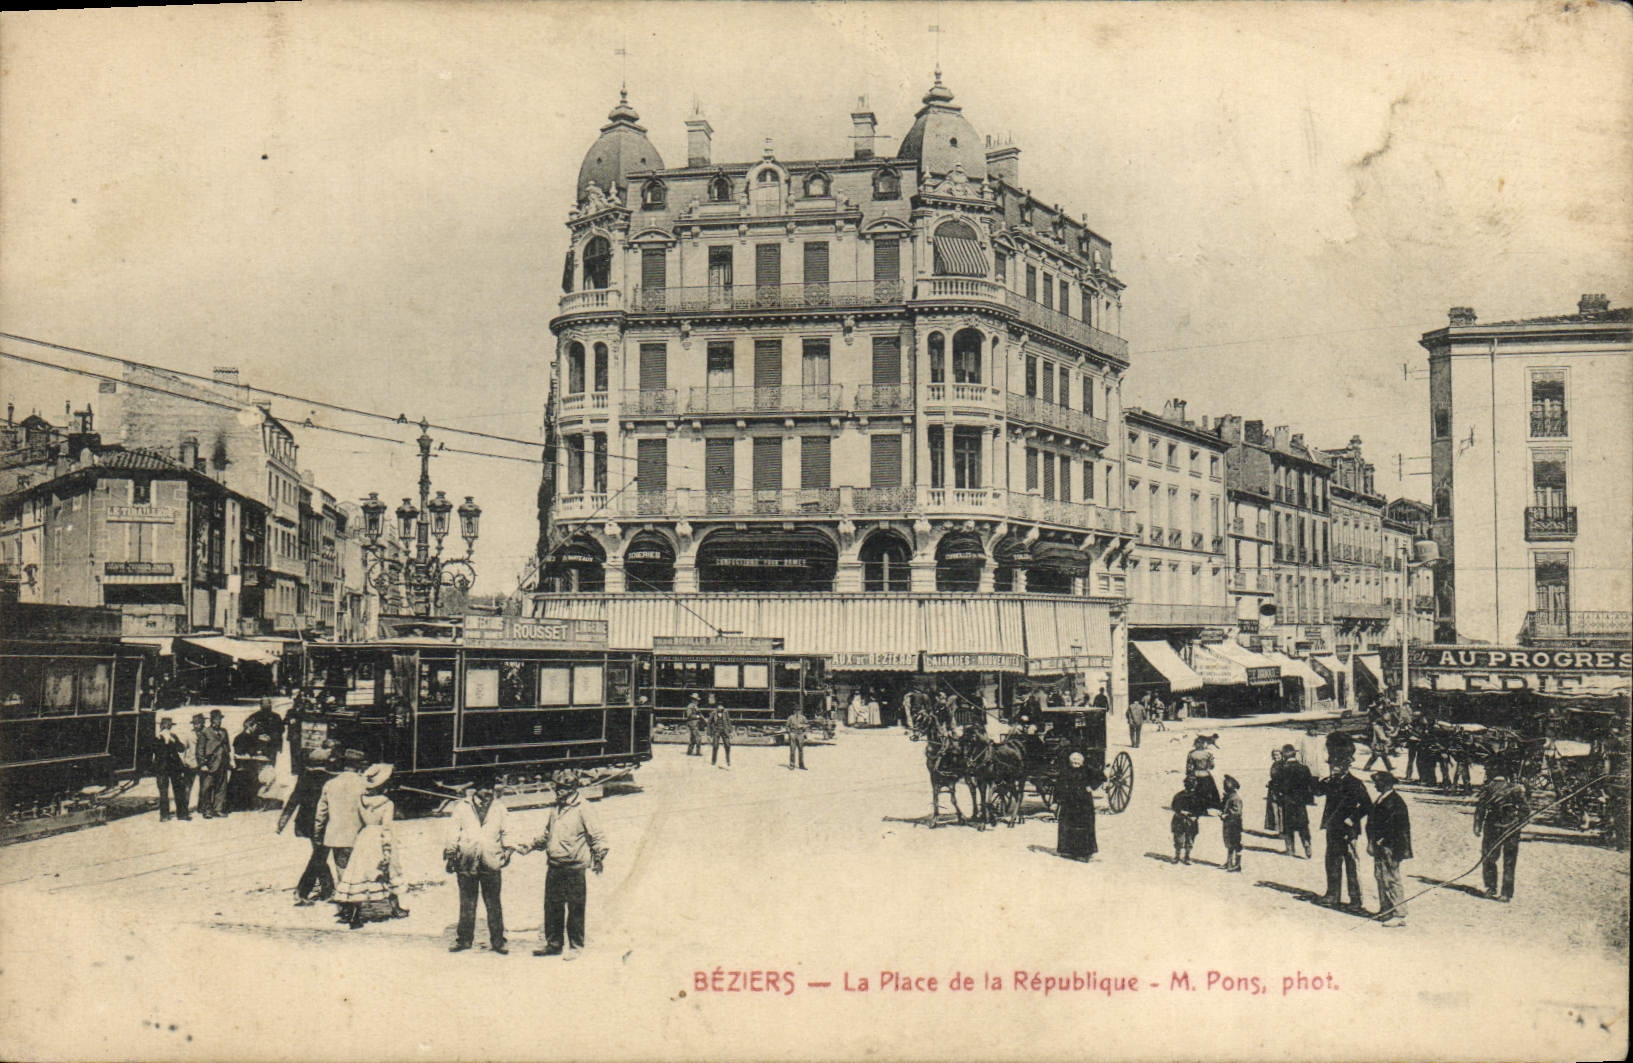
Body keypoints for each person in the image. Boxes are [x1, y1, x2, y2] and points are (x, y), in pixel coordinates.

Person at [526, 771, 609, 959]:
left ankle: (575, 946)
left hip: (574, 867)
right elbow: (548, 834)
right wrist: (530, 845)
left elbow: (598, 838)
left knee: (575, 908)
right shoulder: (556, 808)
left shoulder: (584, 808)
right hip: (554, 865)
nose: (557, 791)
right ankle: (554, 944)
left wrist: (598, 858)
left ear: (572, 789)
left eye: (562, 788)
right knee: (552, 907)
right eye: (556, 787)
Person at [331, 764, 407, 929]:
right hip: (379, 837)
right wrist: (387, 848)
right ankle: (396, 908)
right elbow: (386, 827)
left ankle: (355, 914)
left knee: (359, 873)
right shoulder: (387, 803)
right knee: (387, 870)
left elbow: (358, 821)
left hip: (364, 837)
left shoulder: (361, 800)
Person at [445, 779, 514, 954]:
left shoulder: (499, 808)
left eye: (490, 788)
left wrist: (507, 851)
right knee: (467, 902)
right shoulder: (462, 807)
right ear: (476, 790)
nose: (489, 792)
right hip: (466, 860)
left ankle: (498, 942)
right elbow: (453, 831)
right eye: (484, 788)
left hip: (490, 860)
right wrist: (451, 854)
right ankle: (464, 940)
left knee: (493, 903)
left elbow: (507, 831)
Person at [1314, 733, 1372, 910]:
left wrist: (1351, 818)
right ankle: (1333, 895)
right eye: (1332, 766)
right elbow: (1317, 791)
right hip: (1332, 828)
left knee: (1351, 864)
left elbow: (1367, 806)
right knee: (1331, 861)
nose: (1333, 768)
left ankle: (1356, 900)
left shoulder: (1355, 783)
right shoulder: (1331, 782)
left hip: (1348, 831)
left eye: (1335, 766)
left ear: (1345, 766)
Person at [277, 739, 337, 904]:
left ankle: (328, 889)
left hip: (306, 822)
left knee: (319, 854)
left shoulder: (304, 778)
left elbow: (293, 800)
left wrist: (283, 821)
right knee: (319, 855)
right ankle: (302, 891)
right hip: (323, 822)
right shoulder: (328, 780)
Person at [1473, 765, 1529, 902]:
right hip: (1511, 827)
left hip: (1492, 826)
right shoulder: (1516, 789)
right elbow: (1526, 811)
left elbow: (1480, 809)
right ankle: (1506, 893)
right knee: (1510, 860)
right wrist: (1519, 824)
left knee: (1488, 857)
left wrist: (1477, 826)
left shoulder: (1487, 788)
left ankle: (1491, 888)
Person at [1367, 772, 1412, 927]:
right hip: (1381, 846)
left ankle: (1399, 913)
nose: (1375, 785)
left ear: (1386, 784)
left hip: (1391, 847)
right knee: (1380, 876)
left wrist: (1383, 840)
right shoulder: (1382, 799)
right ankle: (1386, 909)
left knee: (1391, 878)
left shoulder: (1395, 802)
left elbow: (1398, 827)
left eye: (1377, 782)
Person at [314, 749, 369, 873]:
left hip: (336, 836)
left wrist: (318, 835)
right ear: (359, 766)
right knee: (359, 875)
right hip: (359, 836)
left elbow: (321, 814)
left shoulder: (330, 784)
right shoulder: (365, 785)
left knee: (342, 873)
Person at [1055, 751, 1103, 861]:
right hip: (1069, 803)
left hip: (1084, 803)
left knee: (1083, 826)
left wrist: (1092, 787)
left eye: (1077, 763)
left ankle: (1085, 853)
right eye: (1073, 763)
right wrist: (1056, 801)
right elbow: (1059, 785)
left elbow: (1101, 777)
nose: (1075, 765)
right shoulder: (1065, 771)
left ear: (1082, 762)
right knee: (1067, 825)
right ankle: (1067, 850)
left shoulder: (1088, 769)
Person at [1271, 744, 1315, 858]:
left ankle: (1290, 849)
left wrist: (1279, 796)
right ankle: (1306, 844)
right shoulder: (1304, 768)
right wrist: (1307, 799)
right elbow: (1310, 786)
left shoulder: (1282, 769)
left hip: (1287, 801)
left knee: (1288, 825)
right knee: (1303, 824)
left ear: (1285, 756)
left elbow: (1276, 785)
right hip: (1300, 802)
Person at [154, 717, 194, 822]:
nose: (168, 727)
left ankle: (182, 814)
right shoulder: (157, 738)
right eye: (166, 725)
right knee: (163, 792)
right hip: (162, 768)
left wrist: (173, 740)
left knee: (179, 790)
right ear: (161, 726)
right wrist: (165, 742)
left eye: (169, 726)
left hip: (175, 768)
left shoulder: (173, 736)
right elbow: (156, 752)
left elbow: (181, 748)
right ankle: (164, 815)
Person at [195, 711, 231, 818]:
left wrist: (229, 760)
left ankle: (218, 809)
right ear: (211, 720)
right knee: (207, 787)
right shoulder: (205, 732)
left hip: (222, 763)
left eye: (220, 719)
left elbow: (227, 747)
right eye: (216, 719)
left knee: (221, 787)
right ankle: (207, 810)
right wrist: (202, 764)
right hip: (210, 764)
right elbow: (200, 749)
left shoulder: (224, 731)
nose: (218, 721)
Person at [1185, 735, 1222, 812]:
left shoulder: (1191, 753)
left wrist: (1189, 775)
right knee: (1211, 791)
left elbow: (1189, 767)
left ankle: (1198, 808)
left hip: (1195, 774)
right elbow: (1212, 766)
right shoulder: (1208, 753)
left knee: (1197, 792)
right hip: (1206, 774)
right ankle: (1214, 806)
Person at [1170, 780, 1201, 865]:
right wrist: (1180, 812)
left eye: (1192, 784)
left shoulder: (1197, 797)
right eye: (1188, 784)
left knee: (1190, 839)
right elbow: (1174, 806)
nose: (1190, 786)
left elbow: (1200, 809)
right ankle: (1177, 856)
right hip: (1179, 820)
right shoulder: (1179, 795)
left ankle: (1187, 857)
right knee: (1178, 839)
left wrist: (1195, 816)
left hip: (1191, 821)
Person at [1221, 775, 1244, 872]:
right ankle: (1229, 862)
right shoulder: (1230, 797)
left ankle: (1236, 865)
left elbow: (1236, 812)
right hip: (1229, 824)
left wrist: (1226, 815)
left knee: (1234, 844)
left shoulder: (1235, 798)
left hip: (1234, 824)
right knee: (1229, 843)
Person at [708, 697, 733, 768]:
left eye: (722, 706)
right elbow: (709, 723)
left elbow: (729, 722)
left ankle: (728, 761)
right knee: (715, 746)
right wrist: (709, 734)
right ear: (717, 707)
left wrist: (730, 732)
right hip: (716, 731)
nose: (720, 707)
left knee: (727, 746)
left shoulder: (726, 712)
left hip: (724, 731)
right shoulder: (713, 713)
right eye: (719, 706)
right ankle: (713, 761)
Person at [785, 704, 808, 770]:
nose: (797, 712)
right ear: (793, 711)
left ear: (800, 711)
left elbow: (806, 726)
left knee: (801, 750)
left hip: (800, 734)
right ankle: (792, 765)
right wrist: (789, 733)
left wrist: (804, 732)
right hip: (793, 734)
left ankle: (801, 765)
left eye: (798, 710)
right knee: (792, 750)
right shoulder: (790, 718)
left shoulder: (803, 718)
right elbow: (787, 726)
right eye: (796, 710)